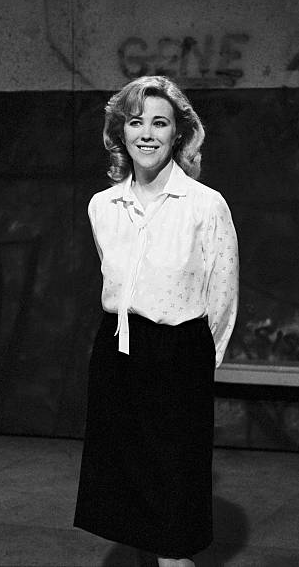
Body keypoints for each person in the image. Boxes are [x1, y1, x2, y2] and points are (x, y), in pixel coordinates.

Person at [73, 75, 239, 567]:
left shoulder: (206, 205)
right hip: (117, 351)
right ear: (120, 132)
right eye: (135, 121)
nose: (146, 133)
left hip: (179, 356)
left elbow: (223, 296)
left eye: (160, 123)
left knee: (173, 509)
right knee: (129, 496)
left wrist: (197, 366)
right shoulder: (103, 206)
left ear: (178, 133)